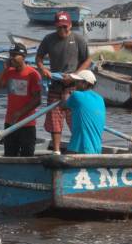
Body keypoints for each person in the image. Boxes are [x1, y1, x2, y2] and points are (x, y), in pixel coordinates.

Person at [35, 11, 91, 154]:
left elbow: (88, 60)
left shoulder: (78, 39)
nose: (63, 30)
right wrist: (43, 70)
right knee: (55, 120)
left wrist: (75, 75)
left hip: (74, 87)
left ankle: (80, 149)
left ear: (70, 25)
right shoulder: (48, 39)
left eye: (65, 27)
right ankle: (57, 151)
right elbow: (39, 57)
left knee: (76, 120)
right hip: (56, 84)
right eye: (60, 27)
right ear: (56, 26)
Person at [0, 43, 42, 156]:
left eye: (15, 55)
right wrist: (4, 70)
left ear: (23, 57)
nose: (12, 58)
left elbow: (37, 100)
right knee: (9, 154)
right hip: (10, 123)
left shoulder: (33, 74)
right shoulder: (9, 72)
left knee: (27, 156)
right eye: (11, 55)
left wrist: (20, 113)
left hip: (27, 124)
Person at [62, 70, 105, 154]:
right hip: (97, 150)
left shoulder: (76, 95)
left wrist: (66, 91)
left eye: (77, 82)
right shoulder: (100, 99)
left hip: (80, 149)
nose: (75, 84)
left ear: (85, 84)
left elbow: (63, 105)